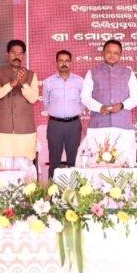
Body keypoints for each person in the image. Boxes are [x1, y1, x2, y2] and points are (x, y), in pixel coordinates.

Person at [80, 40, 137, 165]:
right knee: (96, 163)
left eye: (116, 53)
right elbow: (85, 97)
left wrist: (122, 105)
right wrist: (99, 107)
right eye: (109, 52)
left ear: (120, 55)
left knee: (123, 164)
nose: (112, 55)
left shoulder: (128, 73)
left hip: (122, 126)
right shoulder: (92, 72)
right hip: (98, 125)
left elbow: (136, 97)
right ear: (103, 53)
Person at [0, 40, 39, 177]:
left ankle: (27, 191)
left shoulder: (31, 75)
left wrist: (23, 84)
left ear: (23, 56)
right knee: (0, 168)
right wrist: (10, 85)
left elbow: (33, 98)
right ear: (7, 55)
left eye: (20, 54)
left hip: (24, 131)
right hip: (0, 130)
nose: (17, 56)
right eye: (13, 53)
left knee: (24, 168)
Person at [42, 50, 84, 179]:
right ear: (56, 63)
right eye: (61, 61)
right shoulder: (49, 82)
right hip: (55, 125)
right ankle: (52, 189)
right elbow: (46, 102)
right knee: (54, 160)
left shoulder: (80, 81)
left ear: (71, 63)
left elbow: (83, 102)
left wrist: (74, 112)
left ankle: (74, 188)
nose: (64, 63)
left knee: (73, 159)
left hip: (73, 124)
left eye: (66, 61)